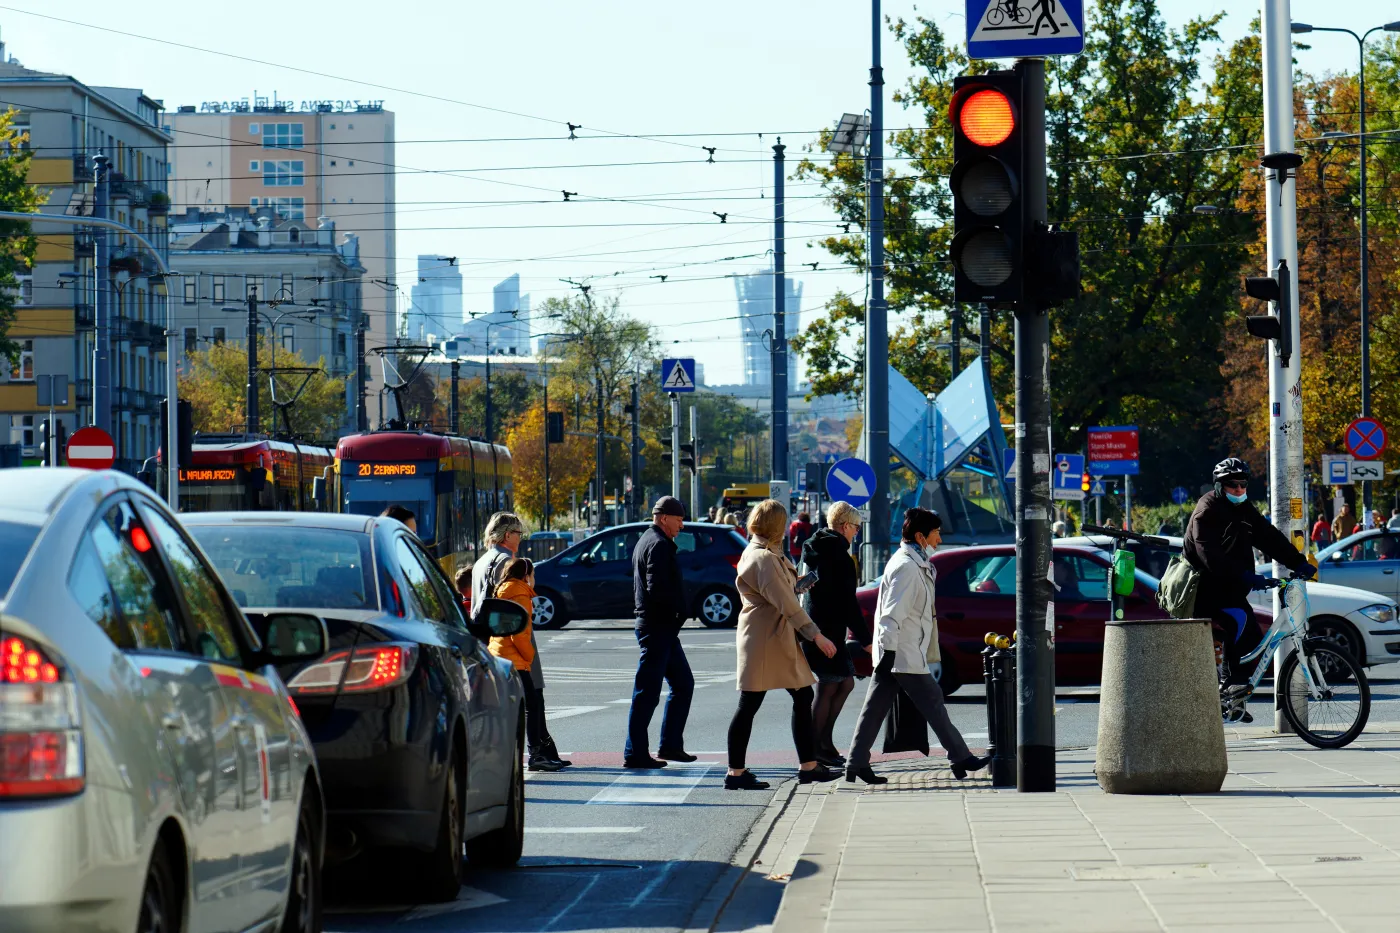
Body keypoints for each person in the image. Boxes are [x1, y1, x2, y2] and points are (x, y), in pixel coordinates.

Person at [845, 508, 990, 785]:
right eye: (936, 533)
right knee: (933, 702)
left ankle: (856, 763)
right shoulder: (907, 567)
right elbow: (890, 614)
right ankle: (960, 757)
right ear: (921, 536)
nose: (939, 538)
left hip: (902, 651)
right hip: (901, 653)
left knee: (875, 709)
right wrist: (887, 653)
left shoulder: (916, 563)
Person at [725, 499, 842, 790]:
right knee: (750, 703)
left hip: (770, 635)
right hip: (767, 637)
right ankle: (736, 773)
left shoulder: (762, 553)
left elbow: (780, 592)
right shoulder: (763, 557)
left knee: (800, 696)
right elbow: (787, 603)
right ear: (777, 526)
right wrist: (817, 635)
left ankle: (807, 766)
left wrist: (797, 582)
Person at [1184, 459, 1314, 696]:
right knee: (1240, 622)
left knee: (1252, 635)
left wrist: (1298, 562)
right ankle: (1231, 685)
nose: (1239, 490)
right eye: (1233, 485)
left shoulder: (1243, 508)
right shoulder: (1207, 510)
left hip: (1228, 588)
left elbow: (1268, 537)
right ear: (1219, 485)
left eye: (1243, 484)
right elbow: (1208, 555)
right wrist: (1245, 576)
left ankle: (1231, 696)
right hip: (1203, 589)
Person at [471, 512, 569, 769]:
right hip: (513, 640)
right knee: (533, 699)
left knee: (504, 704)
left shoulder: (481, 562)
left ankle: (539, 751)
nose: (521, 539)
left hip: (490, 641)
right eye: (518, 534)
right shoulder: (506, 561)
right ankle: (539, 752)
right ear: (506, 535)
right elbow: (511, 606)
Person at [624, 496, 696, 769]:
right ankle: (635, 753)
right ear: (663, 517)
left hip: (660, 628)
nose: (681, 525)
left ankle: (670, 745)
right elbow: (657, 590)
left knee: (682, 684)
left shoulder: (650, 539)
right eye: (678, 520)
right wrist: (677, 613)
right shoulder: (657, 545)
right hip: (657, 628)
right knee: (647, 692)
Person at [801, 500, 869, 767]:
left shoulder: (816, 547)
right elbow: (848, 602)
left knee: (844, 683)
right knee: (830, 684)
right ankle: (816, 747)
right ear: (844, 526)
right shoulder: (838, 555)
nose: (857, 533)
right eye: (855, 527)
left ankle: (824, 743)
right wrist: (864, 639)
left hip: (820, 627)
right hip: (824, 631)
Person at [483, 558, 564, 772]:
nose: (534, 580)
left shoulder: (503, 589)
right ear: (526, 576)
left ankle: (524, 752)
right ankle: (536, 754)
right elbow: (518, 632)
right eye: (533, 575)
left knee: (516, 705)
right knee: (532, 704)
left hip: (499, 653)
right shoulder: (520, 594)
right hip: (515, 657)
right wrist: (529, 656)